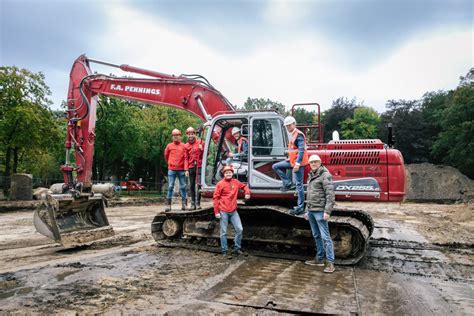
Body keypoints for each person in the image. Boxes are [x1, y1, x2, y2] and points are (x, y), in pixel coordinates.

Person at [304, 154, 336, 273]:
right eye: (311, 163)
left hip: (320, 211)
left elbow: (330, 195)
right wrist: (307, 210)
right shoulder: (311, 176)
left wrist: (327, 211)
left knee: (325, 237)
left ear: (320, 163)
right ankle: (319, 259)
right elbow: (310, 195)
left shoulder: (325, 175)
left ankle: (330, 263)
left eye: (315, 162)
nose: (313, 164)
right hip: (312, 210)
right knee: (316, 235)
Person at [272, 116, 309, 215]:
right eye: (286, 126)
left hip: (298, 163)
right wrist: (290, 158)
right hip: (292, 161)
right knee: (276, 166)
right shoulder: (292, 135)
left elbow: (301, 150)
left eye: (289, 125)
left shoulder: (298, 135)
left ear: (294, 124)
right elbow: (294, 150)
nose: (288, 127)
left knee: (299, 185)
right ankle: (287, 183)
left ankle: (300, 208)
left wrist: (297, 164)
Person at [213, 165, 251, 259]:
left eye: (230, 172)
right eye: (226, 173)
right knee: (223, 232)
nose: (228, 174)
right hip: (223, 211)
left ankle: (236, 248)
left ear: (232, 173)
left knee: (239, 229)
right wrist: (216, 212)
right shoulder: (220, 184)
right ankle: (225, 251)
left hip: (233, 211)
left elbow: (244, 186)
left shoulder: (235, 182)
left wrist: (247, 193)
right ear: (224, 174)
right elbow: (215, 198)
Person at [164, 128, 188, 211]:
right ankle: (168, 205)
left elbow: (185, 158)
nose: (175, 137)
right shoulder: (169, 146)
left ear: (180, 136)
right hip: (172, 170)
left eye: (177, 135)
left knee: (183, 187)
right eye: (174, 135)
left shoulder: (184, 146)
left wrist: (186, 169)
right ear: (172, 137)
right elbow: (166, 156)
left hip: (181, 170)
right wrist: (170, 164)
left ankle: (184, 204)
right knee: (170, 186)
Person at [184, 126, 204, 210]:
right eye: (189, 134)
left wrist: (202, 149)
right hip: (191, 167)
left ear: (194, 134)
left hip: (199, 166)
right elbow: (185, 158)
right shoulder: (186, 146)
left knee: (199, 185)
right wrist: (186, 169)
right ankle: (192, 203)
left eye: (192, 134)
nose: (190, 136)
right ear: (187, 135)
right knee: (191, 185)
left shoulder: (201, 142)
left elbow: (206, 154)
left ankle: (198, 203)